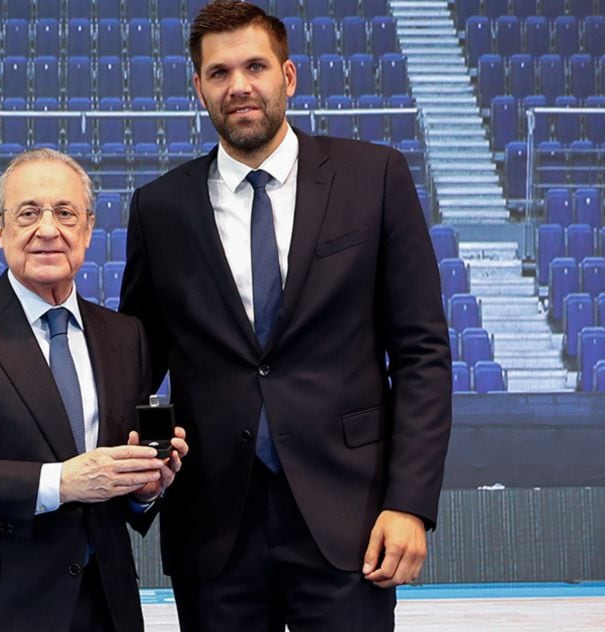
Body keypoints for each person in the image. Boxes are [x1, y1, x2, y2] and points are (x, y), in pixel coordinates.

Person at [119, 2, 452, 630]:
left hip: (350, 518)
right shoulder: (159, 208)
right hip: (213, 525)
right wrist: (132, 478)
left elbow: (422, 354)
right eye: (218, 73)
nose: (238, 85)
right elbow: (134, 363)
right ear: (198, 88)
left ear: (288, 76)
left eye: (255, 66)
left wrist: (410, 503)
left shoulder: (373, 176)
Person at [0, 148, 188, 632]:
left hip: (107, 608)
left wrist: (143, 487)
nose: (48, 230)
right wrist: (62, 482)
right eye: (29, 213)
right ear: (0, 229)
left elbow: (118, 482)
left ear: (89, 229)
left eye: (65, 213)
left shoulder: (125, 336)